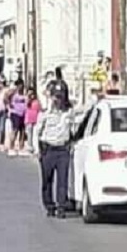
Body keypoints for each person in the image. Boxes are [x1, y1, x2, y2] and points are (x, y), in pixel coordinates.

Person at [37, 89, 74, 219]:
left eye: (60, 97)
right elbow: (37, 132)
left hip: (63, 150)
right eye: (56, 97)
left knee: (62, 180)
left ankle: (61, 207)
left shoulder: (69, 112)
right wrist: (37, 150)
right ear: (52, 98)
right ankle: (49, 206)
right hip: (48, 149)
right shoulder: (45, 114)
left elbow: (80, 117)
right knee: (47, 180)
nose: (58, 100)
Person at [7, 80, 27, 157]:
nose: (20, 87)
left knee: (22, 131)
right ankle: (11, 147)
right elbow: (6, 97)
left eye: (22, 85)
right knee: (15, 130)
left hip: (23, 114)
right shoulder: (13, 93)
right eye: (19, 85)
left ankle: (21, 148)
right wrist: (9, 104)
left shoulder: (25, 93)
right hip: (15, 113)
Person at [24, 88, 41, 155]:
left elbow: (40, 109)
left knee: (35, 135)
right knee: (29, 134)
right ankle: (30, 147)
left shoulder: (37, 101)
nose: (32, 95)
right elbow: (27, 104)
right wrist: (29, 97)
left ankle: (36, 148)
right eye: (30, 94)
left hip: (36, 120)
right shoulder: (28, 101)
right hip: (29, 120)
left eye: (33, 94)